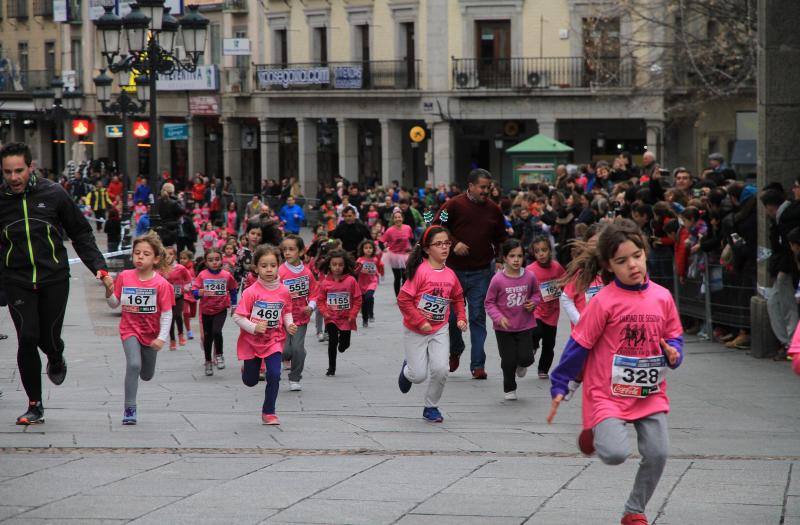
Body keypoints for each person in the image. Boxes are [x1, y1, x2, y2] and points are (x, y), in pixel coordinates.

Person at [547, 219, 684, 525]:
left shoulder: (662, 297)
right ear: (609, 266)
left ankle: (634, 510)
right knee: (614, 454)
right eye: (622, 261)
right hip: (607, 393)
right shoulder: (603, 302)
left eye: (637, 255)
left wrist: (674, 353)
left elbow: (674, 336)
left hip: (649, 392)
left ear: (645, 252)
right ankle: (596, 431)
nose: (633, 265)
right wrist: (561, 384)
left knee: (659, 453)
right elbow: (578, 344)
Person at [0, 142, 114, 426]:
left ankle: (55, 354)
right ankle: (34, 405)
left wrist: (100, 270)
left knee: (47, 338)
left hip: (54, 278)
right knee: (27, 337)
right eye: (7, 172)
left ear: (30, 167)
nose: (13, 178)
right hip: (18, 280)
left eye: (18, 171)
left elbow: (81, 233)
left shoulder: (53, 193)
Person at [435, 168, 507, 379]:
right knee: (452, 318)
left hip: (482, 271)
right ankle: (455, 349)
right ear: (471, 186)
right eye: (482, 187)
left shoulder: (494, 210)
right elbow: (436, 226)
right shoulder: (453, 205)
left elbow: (501, 238)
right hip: (454, 271)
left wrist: (501, 260)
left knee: (477, 317)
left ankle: (478, 365)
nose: (486, 191)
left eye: (488, 187)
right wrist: (454, 243)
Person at [397, 226, 467, 423]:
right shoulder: (420, 272)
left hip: (439, 329)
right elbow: (403, 300)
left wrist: (461, 317)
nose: (444, 247)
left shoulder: (451, 274)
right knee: (418, 375)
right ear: (427, 249)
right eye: (439, 244)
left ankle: (431, 407)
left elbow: (458, 298)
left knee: (441, 369)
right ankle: (407, 370)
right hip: (415, 329)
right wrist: (420, 321)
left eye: (447, 243)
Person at [105, 233, 174, 425]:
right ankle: (129, 409)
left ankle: (145, 369)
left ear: (156, 259)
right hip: (129, 330)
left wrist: (161, 338)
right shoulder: (125, 276)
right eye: (137, 253)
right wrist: (109, 291)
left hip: (151, 334)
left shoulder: (162, 284)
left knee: (146, 374)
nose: (140, 257)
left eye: (146, 254)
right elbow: (114, 304)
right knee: (134, 365)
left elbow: (167, 314)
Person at [233, 244, 297, 425]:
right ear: (256, 268)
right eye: (264, 266)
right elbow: (237, 316)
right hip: (252, 342)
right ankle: (247, 371)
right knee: (251, 381)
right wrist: (254, 327)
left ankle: (269, 412)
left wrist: (290, 324)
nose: (269, 270)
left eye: (272, 265)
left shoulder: (284, 291)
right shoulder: (251, 292)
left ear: (278, 266)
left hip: (274, 340)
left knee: (275, 375)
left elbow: (286, 311)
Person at [484, 239, 542, 401]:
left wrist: (533, 302)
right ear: (504, 258)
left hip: (524, 325)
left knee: (527, 358)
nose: (516, 260)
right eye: (512, 256)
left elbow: (536, 294)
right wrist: (498, 317)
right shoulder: (498, 279)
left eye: (519, 256)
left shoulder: (530, 276)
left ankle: (521, 364)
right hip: (504, 329)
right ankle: (510, 388)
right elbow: (489, 302)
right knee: (508, 360)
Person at [278, 235, 318, 392]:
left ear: (301, 252)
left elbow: (315, 292)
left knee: (297, 349)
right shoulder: (280, 271)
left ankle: (295, 378)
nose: (287, 252)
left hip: (301, 318)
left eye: (291, 249)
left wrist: (311, 306)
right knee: (286, 351)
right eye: (285, 249)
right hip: (283, 318)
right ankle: (290, 356)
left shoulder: (307, 273)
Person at [192, 248, 238, 376]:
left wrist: (234, 305)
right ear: (206, 262)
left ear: (221, 260)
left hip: (221, 308)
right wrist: (198, 293)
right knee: (208, 337)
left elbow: (233, 289)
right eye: (211, 260)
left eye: (217, 259)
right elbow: (194, 292)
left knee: (217, 331)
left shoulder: (226, 275)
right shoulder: (202, 275)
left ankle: (219, 355)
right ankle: (208, 361)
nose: (214, 262)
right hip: (206, 310)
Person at [316, 248, 362, 376]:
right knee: (332, 342)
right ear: (329, 265)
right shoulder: (325, 283)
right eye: (334, 265)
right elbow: (320, 301)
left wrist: (353, 314)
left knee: (344, 345)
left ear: (345, 265)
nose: (337, 267)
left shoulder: (351, 281)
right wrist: (325, 312)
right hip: (331, 317)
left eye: (340, 265)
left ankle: (344, 344)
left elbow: (358, 299)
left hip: (346, 318)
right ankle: (331, 368)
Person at [526, 236, 566, 379]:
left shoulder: (556, 267)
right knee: (536, 331)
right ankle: (533, 345)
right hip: (536, 309)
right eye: (537, 251)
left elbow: (565, 281)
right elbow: (525, 286)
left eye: (544, 250)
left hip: (552, 311)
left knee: (550, 344)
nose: (541, 254)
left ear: (550, 250)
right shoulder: (530, 270)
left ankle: (543, 369)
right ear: (534, 253)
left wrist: (562, 287)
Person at [162, 246, 193, 351]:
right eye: (166, 254)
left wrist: (185, 288)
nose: (168, 256)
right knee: (169, 318)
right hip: (166, 297)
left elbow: (189, 280)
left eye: (171, 254)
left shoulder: (181, 268)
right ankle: (172, 340)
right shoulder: (161, 268)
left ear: (175, 256)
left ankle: (180, 334)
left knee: (177, 315)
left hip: (179, 295)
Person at [380, 210, 414, 297]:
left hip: (405, 255)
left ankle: (403, 295)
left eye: (399, 217)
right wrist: (383, 249)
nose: (398, 219)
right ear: (393, 219)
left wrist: (412, 248)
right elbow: (381, 241)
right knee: (397, 277)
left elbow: (411, 239)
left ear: (402, 218)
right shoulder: (389, 230)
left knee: (405, 277)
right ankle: (398, 296)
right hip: (394, 255)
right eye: (395, 217)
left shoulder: (408, 228)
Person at [355, 239, 384, 327]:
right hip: (362, 283)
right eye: (366, 248)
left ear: (373, 249)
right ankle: (365, 319)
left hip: (372, 281)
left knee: (369, 297)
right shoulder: (360, 260)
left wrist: (381, 274)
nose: (368, 250)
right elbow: (355, 272)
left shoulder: (375, 259)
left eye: (370, 248)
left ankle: (371, 314)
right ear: (362, 250)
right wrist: (359, 268)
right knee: (363, 302)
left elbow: (380, 266)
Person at [179, 250, 197, 340]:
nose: (182, 260)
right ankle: (189, 331)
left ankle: (187, 320)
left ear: (190, 259)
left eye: (184, 258)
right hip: (184, 293)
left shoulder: (194, 268)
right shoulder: (179, 269)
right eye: (181, 258)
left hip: (193, 294)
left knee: (193, 314)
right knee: (186, 312)